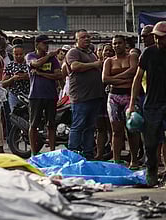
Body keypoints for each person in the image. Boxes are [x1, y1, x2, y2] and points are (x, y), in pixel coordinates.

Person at [128, 21, 166, 186]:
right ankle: (151, 170)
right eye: (156, 38)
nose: (158, 41)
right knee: (150, 143)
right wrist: (131, 105)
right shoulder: (148, 53)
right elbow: (137, 79)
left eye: (162, 38)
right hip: (152, 104)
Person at [102, 35, 140, 168]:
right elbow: (105, 79)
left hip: (129, 96)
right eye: (114, 44)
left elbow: (134, 71)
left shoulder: (132, 57)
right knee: (116, 131)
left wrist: (115, 78)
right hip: (114, 97)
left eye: (119, 43)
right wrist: (124, 79)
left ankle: (134, 160)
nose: (116, 46)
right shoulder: (109, 61)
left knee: (132, 130)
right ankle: (116, 160)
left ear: (125, 44)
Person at [66, 29, 104, 160]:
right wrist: (94, 65)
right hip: (81, 98)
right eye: (83, 37)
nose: (87, 39)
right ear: (76, 40)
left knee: (90, 127)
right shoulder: (73, 52)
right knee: (78, 126)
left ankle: (88, 154)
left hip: (94, 97)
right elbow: (75, 66)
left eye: (88, 37)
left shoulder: (91, 53)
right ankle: (73, 154)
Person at [25, 35, 62, 155]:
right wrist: (49, 56)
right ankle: (33, 152)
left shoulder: (54, 60)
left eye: (48, 43)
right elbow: (35, 64)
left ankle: (52, 151)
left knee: (51, 124)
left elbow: (58, 75)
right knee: (34, 124)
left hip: (51, 95)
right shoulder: (30, 56)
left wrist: (41, 74)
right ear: (37, 44)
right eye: (44, 43)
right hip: (35, 95)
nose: (47, 46)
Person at [3, 44, 30, 112]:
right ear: (13, 54)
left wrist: (27, 77)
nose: (19, 56)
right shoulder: (10, 66)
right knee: (15, 115)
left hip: (29, 95)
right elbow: (3, 83)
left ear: (24, 54)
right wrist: (12, 79)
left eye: (21, 54)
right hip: (14, 94)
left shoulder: (30, 65)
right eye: (16, 54)